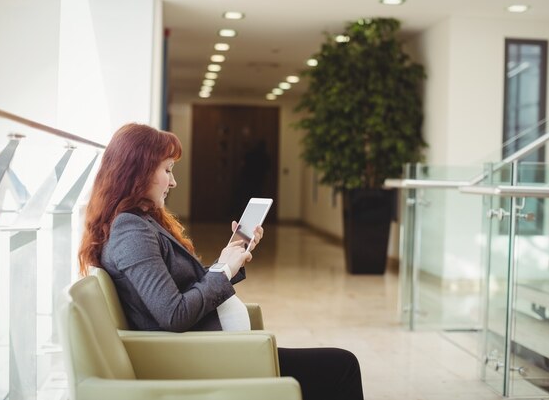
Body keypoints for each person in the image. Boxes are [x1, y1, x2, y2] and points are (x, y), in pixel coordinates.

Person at [78, 123, 364, 400]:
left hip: (220, 347)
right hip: (210, 355)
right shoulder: (131, 231)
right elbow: (173, 314)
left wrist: (232, 256)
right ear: (136, 172)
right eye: (167, 170)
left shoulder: (140, 223)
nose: (174, 181)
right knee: (343, 366)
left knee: (336, 365)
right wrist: (225, 269)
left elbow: (183, 286)